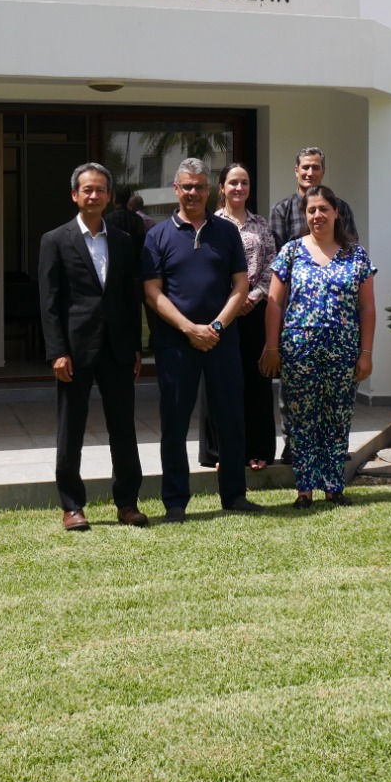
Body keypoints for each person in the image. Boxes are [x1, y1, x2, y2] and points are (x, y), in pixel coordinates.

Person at [141, 157, 265, 522]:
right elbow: (152, 292)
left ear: (209, 190)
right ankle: (175, 502)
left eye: (199, 186)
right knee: (174, 422)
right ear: (176, 190)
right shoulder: (158, 236)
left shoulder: (225, 233)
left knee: (230, 417)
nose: (193, 192)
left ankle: (234, 495)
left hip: (222, 341)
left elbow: (241, 284)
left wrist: (217, 327)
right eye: (186, 186)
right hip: (176, 344)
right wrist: (189, 329)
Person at [39, 162, 148, 531]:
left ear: (109, 196)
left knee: (123, 428)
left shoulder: (121, 240)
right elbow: (49, 302)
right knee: (71, 429)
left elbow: (130, 297)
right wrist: (56, 352)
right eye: (87, 189)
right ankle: (72, 506)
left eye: (100, 190)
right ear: (75, 194)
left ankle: (128, 503)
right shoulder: (55, 240)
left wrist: (136, 347)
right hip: (74, 350)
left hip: (117, 348)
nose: (94, 195)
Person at [259, 186, 376, 507]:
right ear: (305, 214)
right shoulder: (292, 252)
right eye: (311, 210)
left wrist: (366, 353)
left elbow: (367, 308)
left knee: (337, 418)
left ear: (336, 211)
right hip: (299, 353)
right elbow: (274, 304)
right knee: (300, 419)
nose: (317, 215)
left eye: (323, 208)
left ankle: (333, 485)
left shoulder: (356, 254)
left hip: (343, 353)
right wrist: (272, 347)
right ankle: (305, 489)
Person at [268, 146, 358, 464]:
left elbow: (351, 255)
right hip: (296, 315)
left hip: (336, 316)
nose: (310, 172)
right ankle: (294, 444)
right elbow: (277, 265)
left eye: (316, 167)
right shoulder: (281, 210)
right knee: (294, 387)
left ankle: (334, 446)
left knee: (335, 388)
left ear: (323, 171)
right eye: (305, 167)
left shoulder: (341, 207)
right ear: (296, 171)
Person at [199, 162, 277, 471]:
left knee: (255, 382)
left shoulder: (260, 225)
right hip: (220, 313)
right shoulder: (210, 224)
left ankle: (257, 450)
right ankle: (219, 453)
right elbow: (204, 268)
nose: (239, 188)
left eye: (244, 182)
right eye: (233, 182)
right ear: (221, 187)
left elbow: (273, 266)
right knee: (219, 382)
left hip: (254, 313)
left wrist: (253, 296)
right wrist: (231, 302)